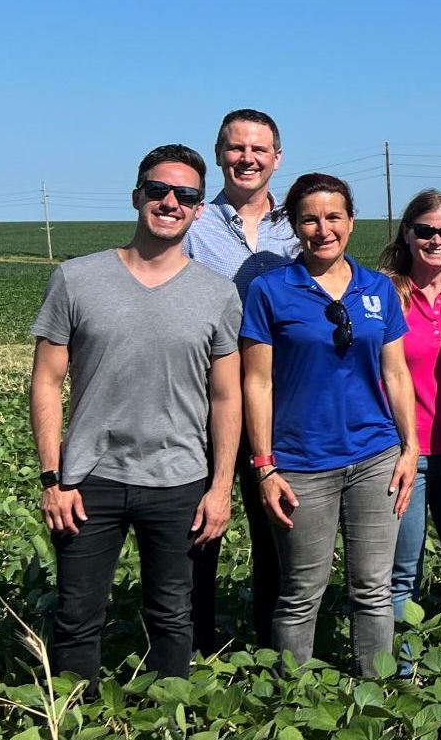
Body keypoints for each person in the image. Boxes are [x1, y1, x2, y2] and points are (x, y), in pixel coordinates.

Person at [30, 144, 243, 681]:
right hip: (87, 480)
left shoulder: (218, 295)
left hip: (179, 481)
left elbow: (226, 397)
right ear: (137, 196)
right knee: (78, 616)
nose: (170, 202)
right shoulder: (76, 279)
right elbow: (47, 381)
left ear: (199, 209)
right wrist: (53, 477)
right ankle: (73, 734)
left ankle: (168, 730)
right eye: (158, 190)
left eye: (186, 195)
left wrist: (220, 488)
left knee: (174, 617)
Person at [242, 173, 419, 676]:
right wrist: (264, 465)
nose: (323, 229)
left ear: (351, 221)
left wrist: (410, 448)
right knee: (301, 591)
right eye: (310, 219)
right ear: (295, 226)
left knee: (373, 588)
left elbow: (396, 371)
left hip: (375, 458)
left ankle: (377, 694)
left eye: (333, 217)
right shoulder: (270, 290)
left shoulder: (377, 288)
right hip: (300, 464)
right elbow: (257, 382)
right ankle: (288, 699)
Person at [184, 108, 299, 651]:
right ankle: (195, 647)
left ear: (277, 158)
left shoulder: (301, 226)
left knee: (277, 531)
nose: (246, 158)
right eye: (236, 148)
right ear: (218, 153)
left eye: (259, 150)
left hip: (282, 402)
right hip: (205, 400)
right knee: (199, 526)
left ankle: (274, 650)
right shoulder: (193, 223)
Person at [376, 189, 441, 627]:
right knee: (402, 572)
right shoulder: (383, 293)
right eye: (426, 231)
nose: (437, 241)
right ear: (406, 232)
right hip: (406, 456)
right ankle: (402, 670)